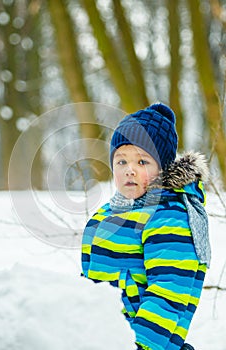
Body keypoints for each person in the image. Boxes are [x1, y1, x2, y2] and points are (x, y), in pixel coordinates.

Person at [81, 103, 211, 350]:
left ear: (162, 168)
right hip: (99, 340)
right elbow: (87, 285)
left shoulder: (169, 216)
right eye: (121, 162)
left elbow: (169, 293)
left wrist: (138, 345)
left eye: (142, 162)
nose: (130, 170)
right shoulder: (105, 215)